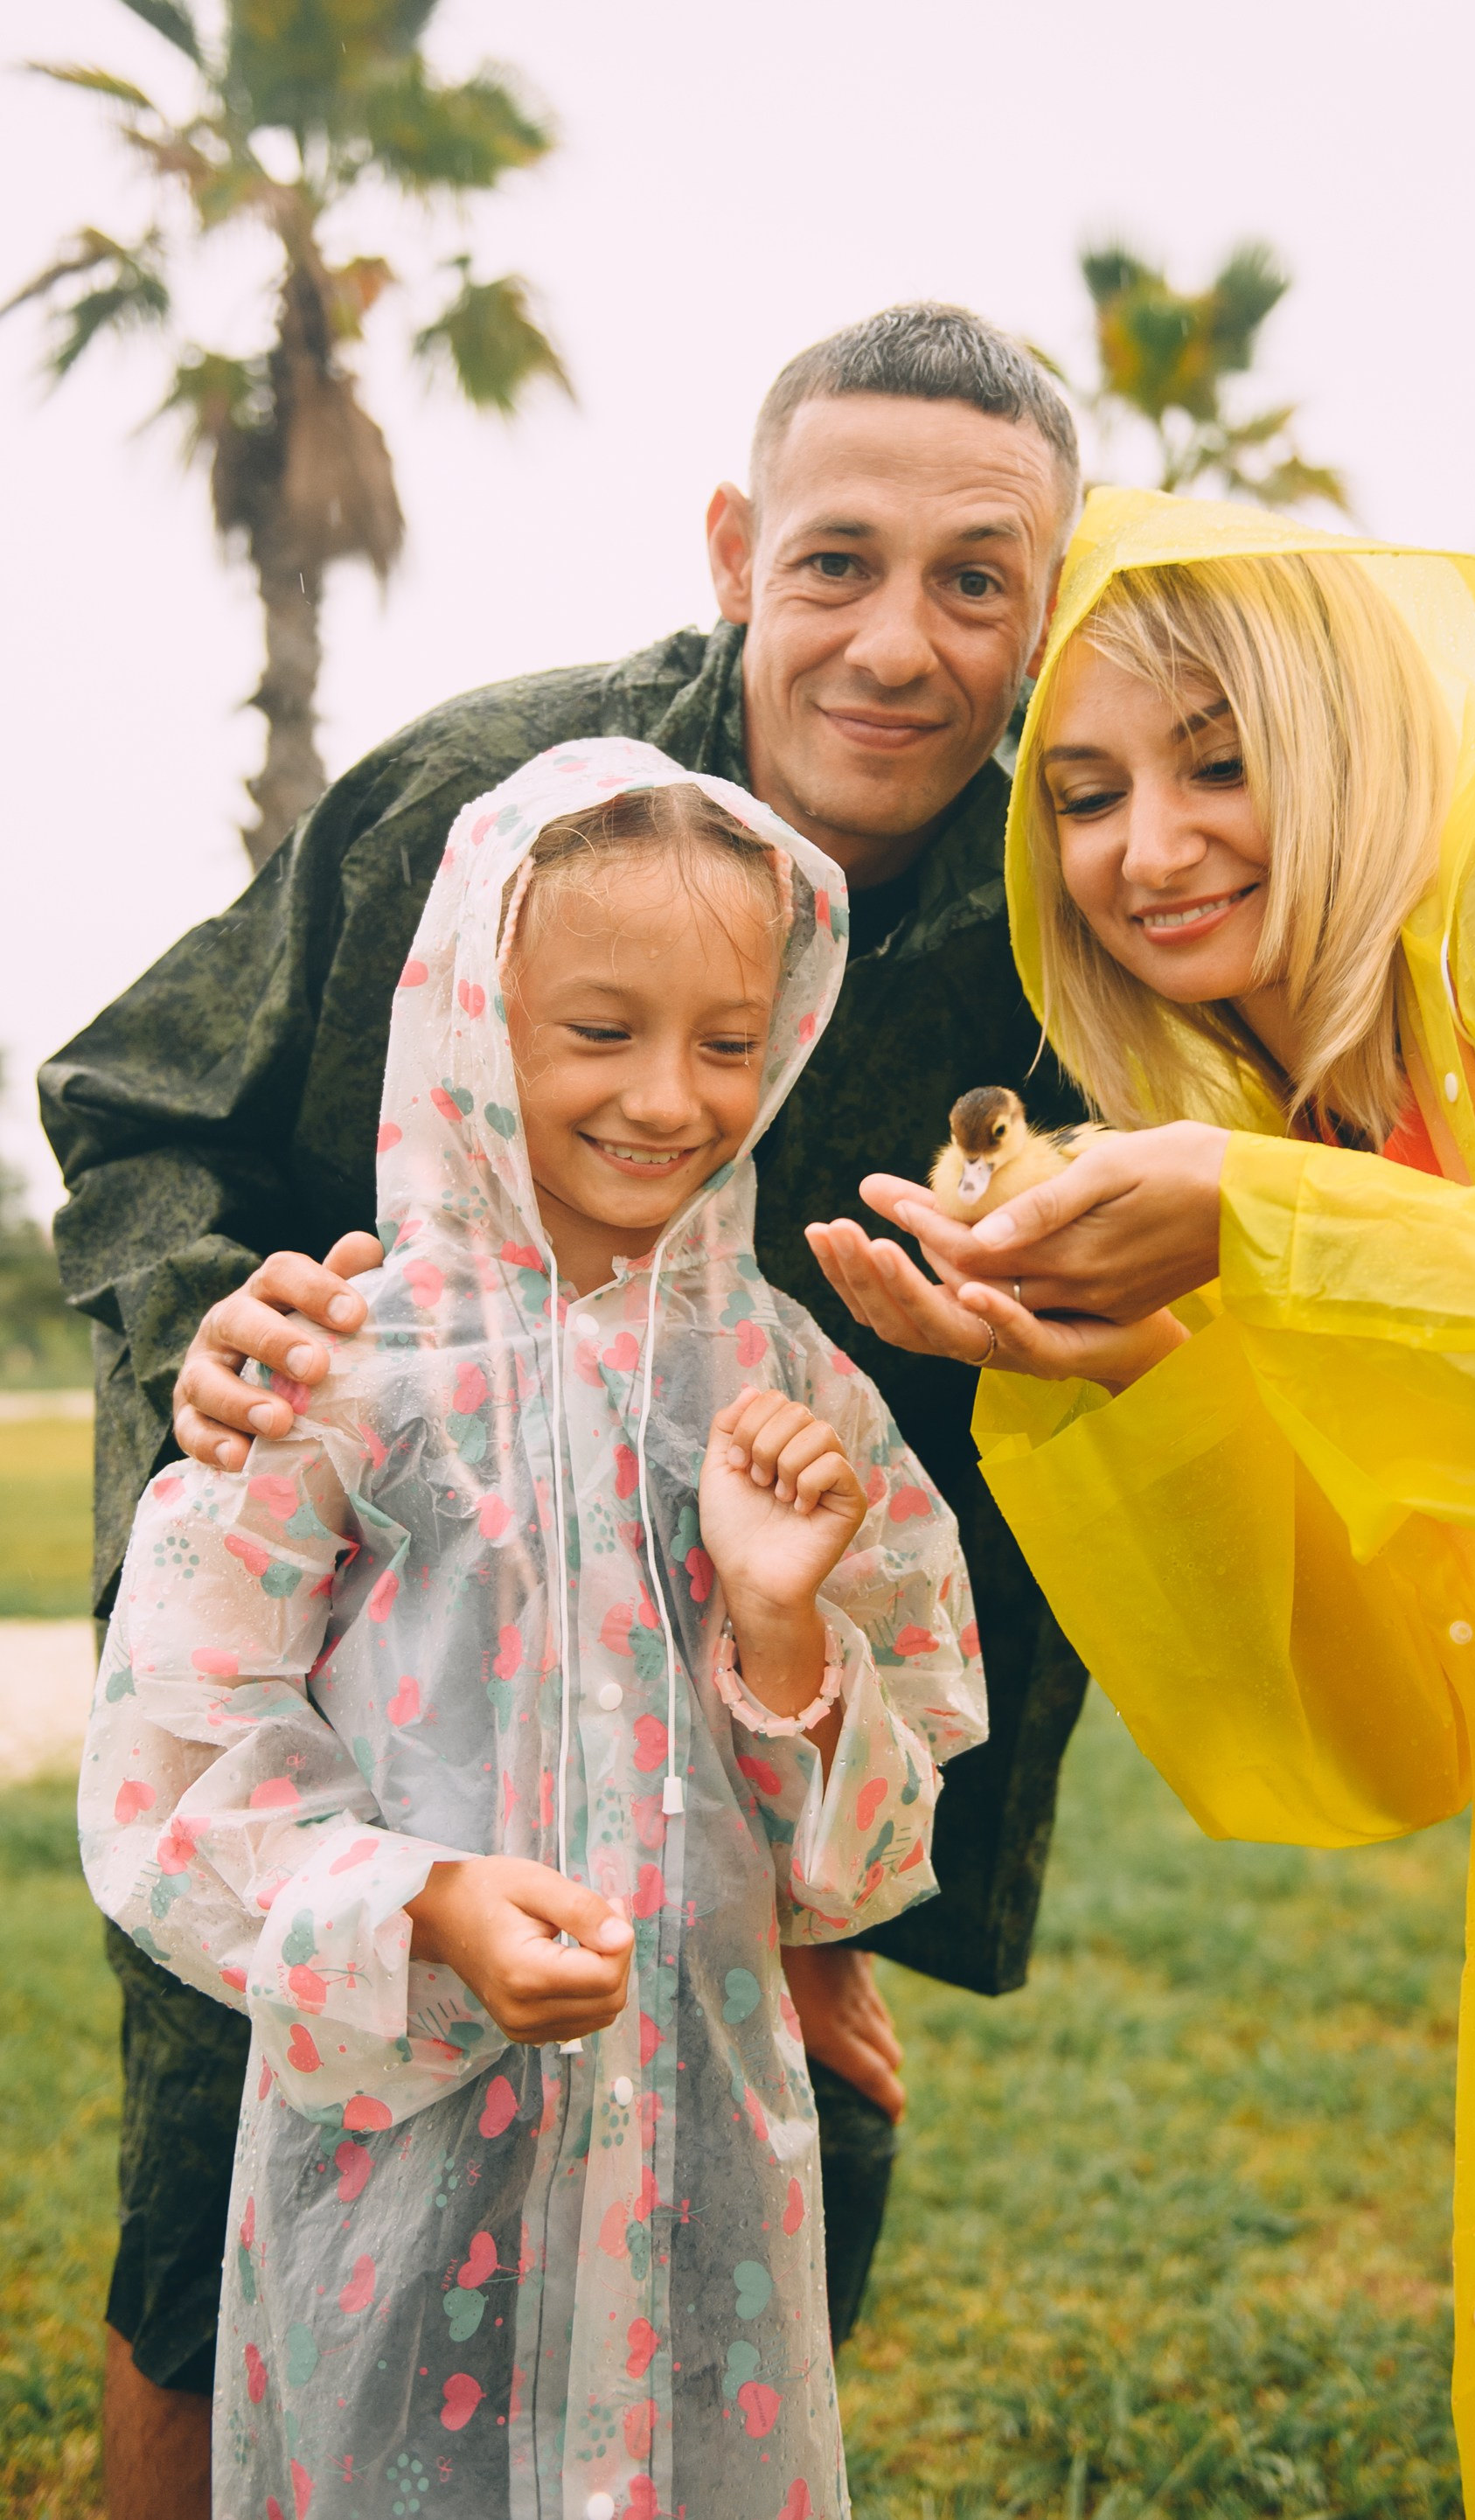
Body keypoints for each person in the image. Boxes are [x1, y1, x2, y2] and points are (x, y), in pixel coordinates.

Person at [40, 302, 1089, 2514]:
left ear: (1046, 605)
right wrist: (220, 1326)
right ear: (735, 550)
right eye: (836, 562)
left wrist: (832, 1904)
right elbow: (140, 1100)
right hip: (336, 1637)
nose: (895, 641)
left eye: (974, 580)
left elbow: (978, 1482)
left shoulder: (1060, 918)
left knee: (739, 2229)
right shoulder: (477, 801)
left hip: (736, 1742)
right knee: (225, 2210)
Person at [807, 486, 1475, 2519]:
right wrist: (1120, 1370)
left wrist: (1266, 1225)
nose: (1149, 849)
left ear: (1350, 742)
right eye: (1087, 794)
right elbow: (1382, 1734)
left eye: (1221, 763)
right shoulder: (1261, 1134)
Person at [80, 739, 986, 2520]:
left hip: (697, 2157)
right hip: (403, 2154)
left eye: (727, 1041)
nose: (669, 1095)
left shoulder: (783, 1380)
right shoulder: (341, 1366)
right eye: (600, 1030)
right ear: (473, 1020)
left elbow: (866, 1845)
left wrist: (784, 1628)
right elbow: (178, 1751)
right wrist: (420, 1902)